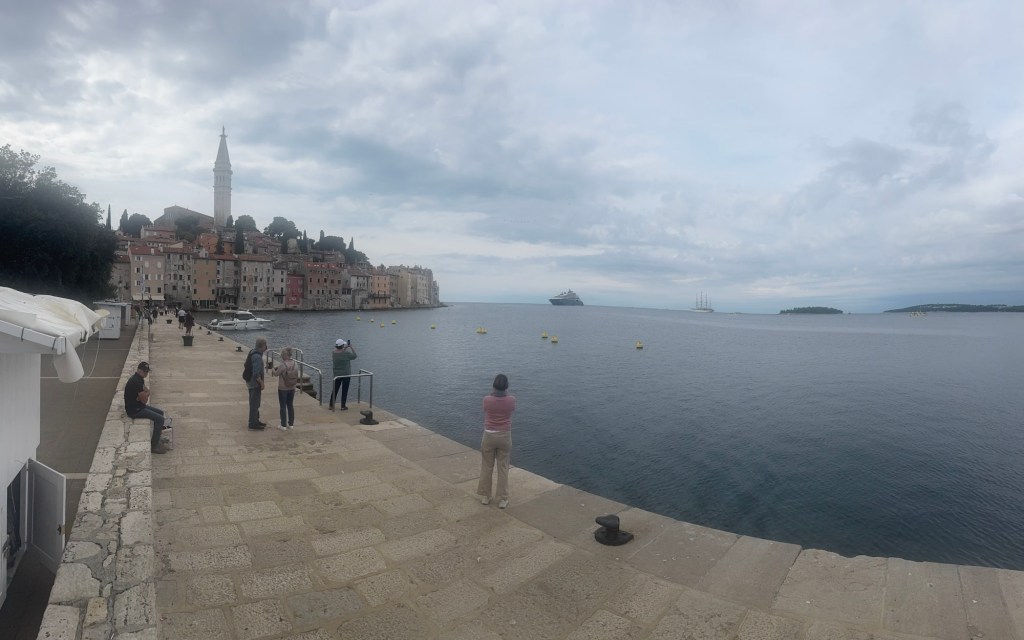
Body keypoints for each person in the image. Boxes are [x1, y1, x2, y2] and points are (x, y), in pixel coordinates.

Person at [477, 374, 516, 509]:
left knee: (487, 466)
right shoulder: (511, 400)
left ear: (493, 386)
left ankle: (486, 496)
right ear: (506, 386)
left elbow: (485, 410)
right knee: (503, 467)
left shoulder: (487, 399)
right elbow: (511, 410)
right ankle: (502, 499)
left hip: (489, 435)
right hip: (504, 436)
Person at [124, 361, 172, 454]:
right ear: (139, 370)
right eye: (145, 372)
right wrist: (143, 396)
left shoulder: (139, 378)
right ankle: (154, 446)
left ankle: (157, 438)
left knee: (160, 413)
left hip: (139, 406)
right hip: (135, 410)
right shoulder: (136, 381)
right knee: (160, 419)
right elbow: (145, 400)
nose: (146, 374)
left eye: (147, 371)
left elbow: (147, 392)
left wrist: (142, 396)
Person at [273, 346, 299, 430]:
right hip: (292, 387)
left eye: (282, 355)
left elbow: (276, 374)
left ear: (285, 355)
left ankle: (283, 425)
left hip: (283, 388)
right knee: (290, 405)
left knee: (283, 406)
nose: (281, 356)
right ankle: (291, 424)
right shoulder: (295, 364)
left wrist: (273, 369)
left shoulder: (283, 365)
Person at [329, 338, 358, 410]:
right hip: (346, 374)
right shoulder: (346, 353)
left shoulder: (333, 353)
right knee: (344, 390)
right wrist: (351, 347)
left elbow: (340, 353)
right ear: (342, 346)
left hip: (337, 375)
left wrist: (344, 348)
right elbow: (355, 356)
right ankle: (343, 406)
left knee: (335, 390)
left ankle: (331, 405)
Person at [247, 337, 269, 430]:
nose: (266, 347)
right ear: (262, 346)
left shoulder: (253, 352)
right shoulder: (257, 357)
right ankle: (252, 424)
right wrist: (262, 383)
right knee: (254, 404)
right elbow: (256, 374)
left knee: (255, 403)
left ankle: (256, 420)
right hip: (254, 384)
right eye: (265, 345)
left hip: (251, 382)